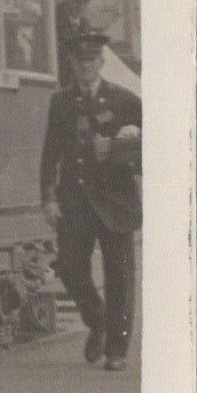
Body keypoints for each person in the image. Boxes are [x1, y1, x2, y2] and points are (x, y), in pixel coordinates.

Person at [39, 29, 142, 370]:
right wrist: (49, 198)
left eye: (91, 61)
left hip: (115, 201)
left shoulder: (126, 101)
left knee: (120, 277)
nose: (85, 68)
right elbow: (50, 154)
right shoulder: (62, 101)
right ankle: (97, 321)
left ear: (101, 62)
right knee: (69, 267)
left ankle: (117, 349)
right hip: (76, 201)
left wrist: (125, 142)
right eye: (79, 62)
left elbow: (153, 151)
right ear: (72, 64)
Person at [55, 0, 100, 85]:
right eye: (78, 0)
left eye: (86, 1)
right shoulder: (51, 21)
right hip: (59, 84)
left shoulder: (85, 24)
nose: (82, 5)